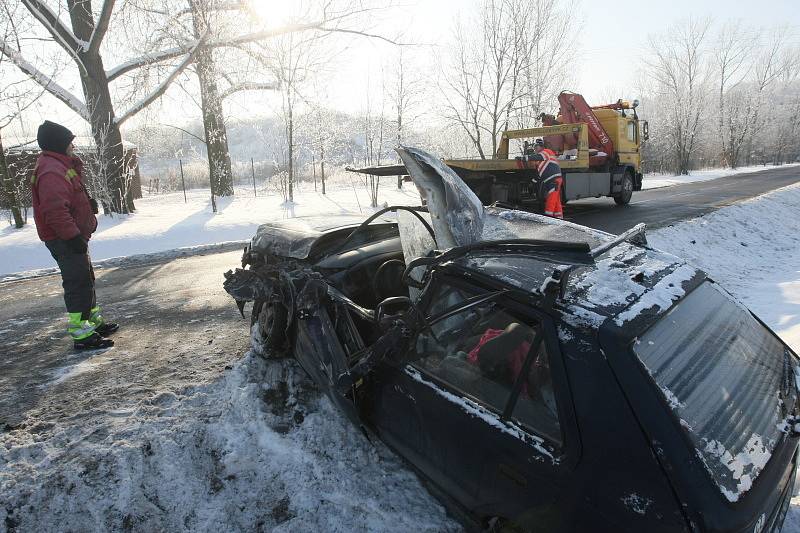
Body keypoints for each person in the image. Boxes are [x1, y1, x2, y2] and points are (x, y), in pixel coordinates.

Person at [31, 120, 118, 350]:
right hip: (65, 238)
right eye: (70, 142)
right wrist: (71, 236)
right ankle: (82, 335)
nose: (73, 147)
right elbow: (55, 210)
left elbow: (68, 198)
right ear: (58, 144)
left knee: (85, 279)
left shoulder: (59, 165)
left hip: (73, 235)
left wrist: (86, 205)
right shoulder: (51, 170)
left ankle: (91, 323)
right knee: (77, 283)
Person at [519, 138, 564, 219]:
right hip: (551, 179)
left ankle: (548, 217)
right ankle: (559, 217)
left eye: (536, 147)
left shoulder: (546, 152)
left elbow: (538, 156)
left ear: (541, 147)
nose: (535, 149)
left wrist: (526, 158)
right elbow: (539, 174)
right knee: (555, 199)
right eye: (534, 147)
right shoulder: (540, 161)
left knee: (551, 199)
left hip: (554, 179)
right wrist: (533, 182)